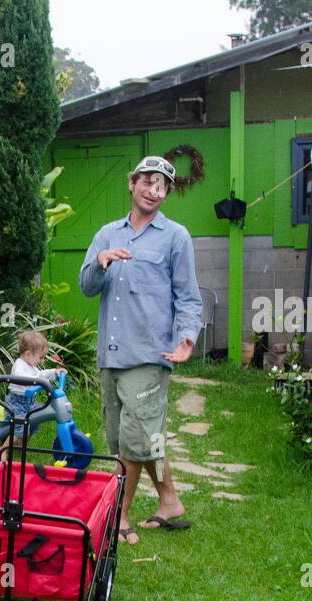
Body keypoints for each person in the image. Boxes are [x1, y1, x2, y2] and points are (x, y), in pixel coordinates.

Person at [79, 155, 203, 545]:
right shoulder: (106, 234)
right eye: (148, 182)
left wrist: (187, 338)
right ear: (131, 183)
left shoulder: (175, 237)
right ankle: (169, 500)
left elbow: (188, 298)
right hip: (111, 355)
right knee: (126, 438)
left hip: (151, 356)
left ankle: (120, 516)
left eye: (162, 186)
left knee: (135, 438)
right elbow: (86, 286)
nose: (155, 190)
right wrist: (99, 263)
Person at [0, 329, 62, 455]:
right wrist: (41, 381)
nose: (42, 360)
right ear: (28, 354)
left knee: (34, 424)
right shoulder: (19, 365)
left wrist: (54, 373)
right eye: (41, 357)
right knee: (20, 429)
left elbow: (39, 374)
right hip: (17, 403)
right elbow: (23, 378)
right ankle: (3, 450)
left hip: (29, 402)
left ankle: (21, 448)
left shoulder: (31, 365)